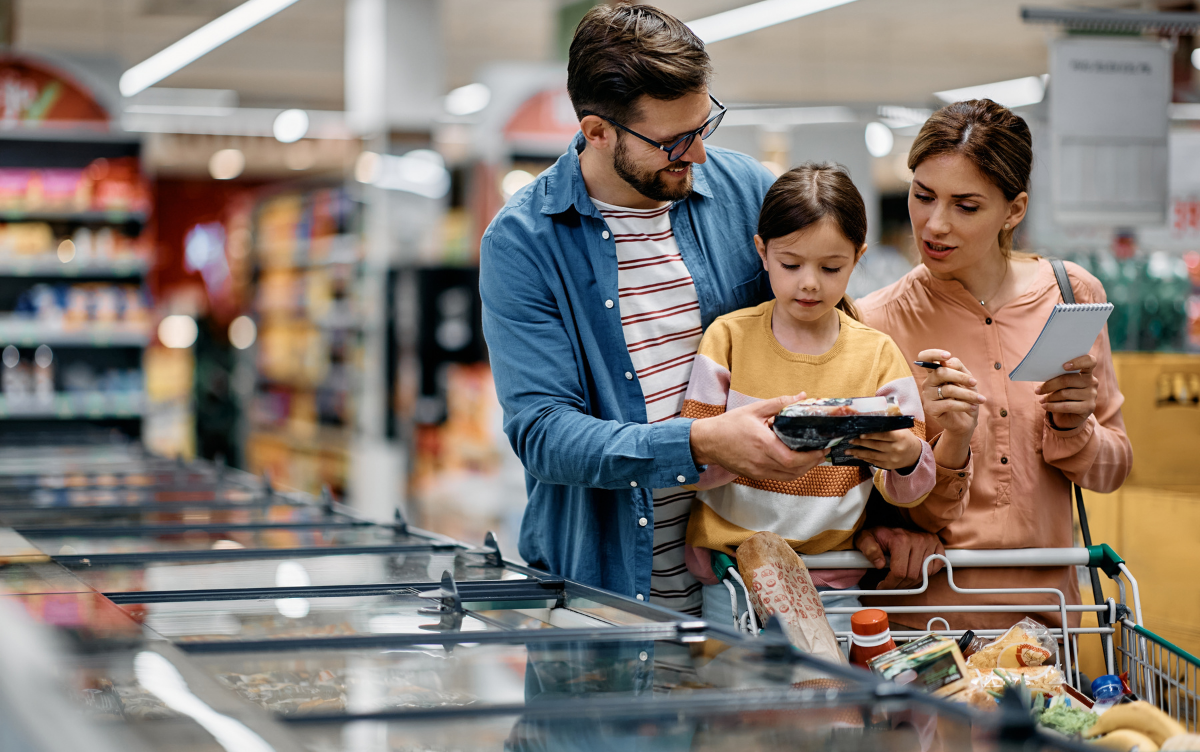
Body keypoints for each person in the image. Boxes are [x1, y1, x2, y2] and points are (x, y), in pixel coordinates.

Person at [479, 4, 827, 616]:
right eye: (672, 142)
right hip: (605, 584)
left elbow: (824, 335)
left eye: (704, 125)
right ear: (597, 131)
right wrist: (696, 444)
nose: (695, 155)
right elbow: (543, 433)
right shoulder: (524, 242)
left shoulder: (745, 191)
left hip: (749, 575)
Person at [853, 99, 1133, 630]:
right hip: (925, 629)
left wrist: (1077, 427)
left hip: (1050, 630)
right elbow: (863, 499)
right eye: (923, 196)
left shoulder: (1072, 295)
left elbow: (1115, 468)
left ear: (1014, 210)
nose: (935, 224)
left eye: (966, 205)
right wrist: (884, 525)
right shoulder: (874, 323)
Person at [679, 164, 937, 631]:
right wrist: (738, 451)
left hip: (832, 584)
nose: (810, 282)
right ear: (762, 252)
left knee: (828, 704)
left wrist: (906, 457)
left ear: (857, 258)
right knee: (733, 701)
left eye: (831, 267)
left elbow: (909, 485)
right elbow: (691, 463)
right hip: (732, 581)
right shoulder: (729, 339)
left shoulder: (876, 353)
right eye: (791, 264)